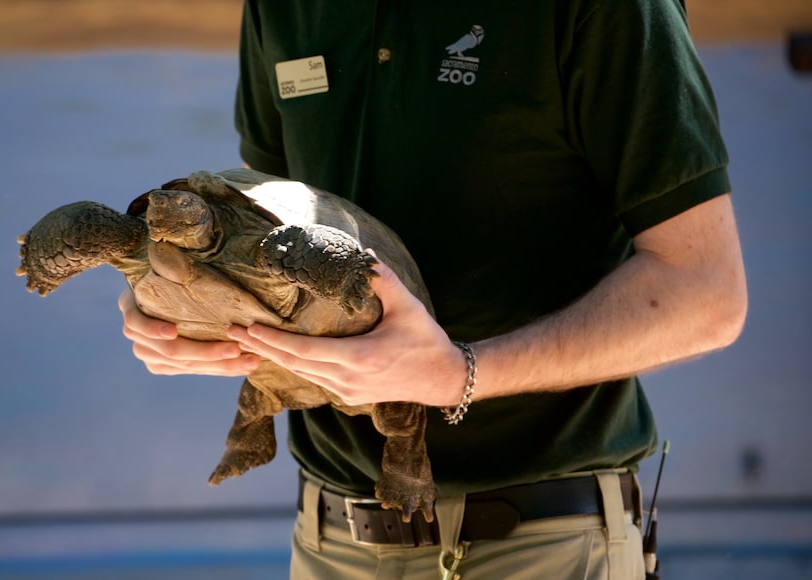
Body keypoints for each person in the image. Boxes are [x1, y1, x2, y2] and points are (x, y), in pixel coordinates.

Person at [118, 0, 748, 577]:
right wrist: (174, 300)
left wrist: (459, 373)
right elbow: (265, 218)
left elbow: (706, 294)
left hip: (545, 541)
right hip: (331, 543)